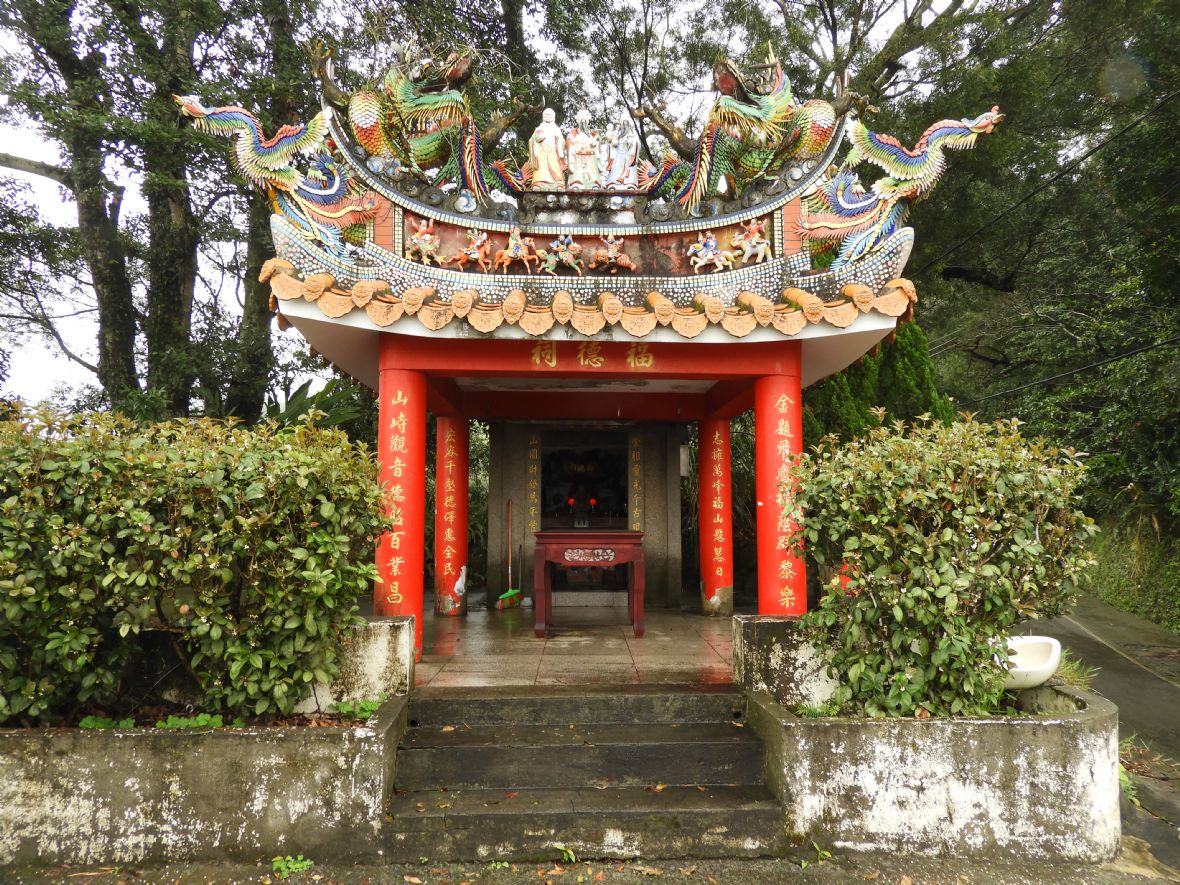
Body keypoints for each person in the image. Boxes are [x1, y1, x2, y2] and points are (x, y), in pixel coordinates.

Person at [600, 111, 638, 190]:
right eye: (623, 122)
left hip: (628, 155)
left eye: (626, 122)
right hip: (617, 156)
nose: (625, 124)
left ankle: (630, 183)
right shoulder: (616, 132)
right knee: (616, 167)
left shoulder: (632, 132)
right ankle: (613, 182)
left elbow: (637, 143)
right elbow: (610, 141)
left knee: (629, 168)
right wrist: (612, 143)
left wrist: (632, 142)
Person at [529, 108, 566, 189]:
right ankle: (538, 183)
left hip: (553, 153)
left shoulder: (556, 129)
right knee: (541, 169)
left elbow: (562, 141)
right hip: (541, 153)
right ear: (543, 117)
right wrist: (536, 140)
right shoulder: (539, 128)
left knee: (555, 167)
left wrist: (559, 140)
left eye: (550, 116)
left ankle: (558, 184)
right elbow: (532, 140)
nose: (548, 117)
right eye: (546, 115)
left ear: (554, 117)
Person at [565, 107, 600, 190]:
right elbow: (569, 141)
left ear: (588, 119)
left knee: (591, 171)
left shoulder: (593, 133)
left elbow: (598, 141)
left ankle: (593, 183)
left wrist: (596, 144)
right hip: (577, 157)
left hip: (590, 157)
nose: (583, 121)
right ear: (577, 120)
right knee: (578, 173)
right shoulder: (573, 132)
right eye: (581, 118)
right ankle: (576, 183)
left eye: (585, 118)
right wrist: (572, 147)